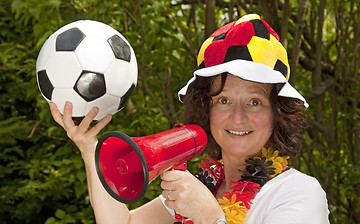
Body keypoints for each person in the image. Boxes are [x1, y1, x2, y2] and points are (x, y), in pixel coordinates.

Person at [50, 14, 330, 224]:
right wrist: (90, 150)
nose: (237, 116)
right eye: (223, 100)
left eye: (254, 102)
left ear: (277, 113)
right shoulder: (204, 184)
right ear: (206, 110)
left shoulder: (299, 192)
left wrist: (210, 216)